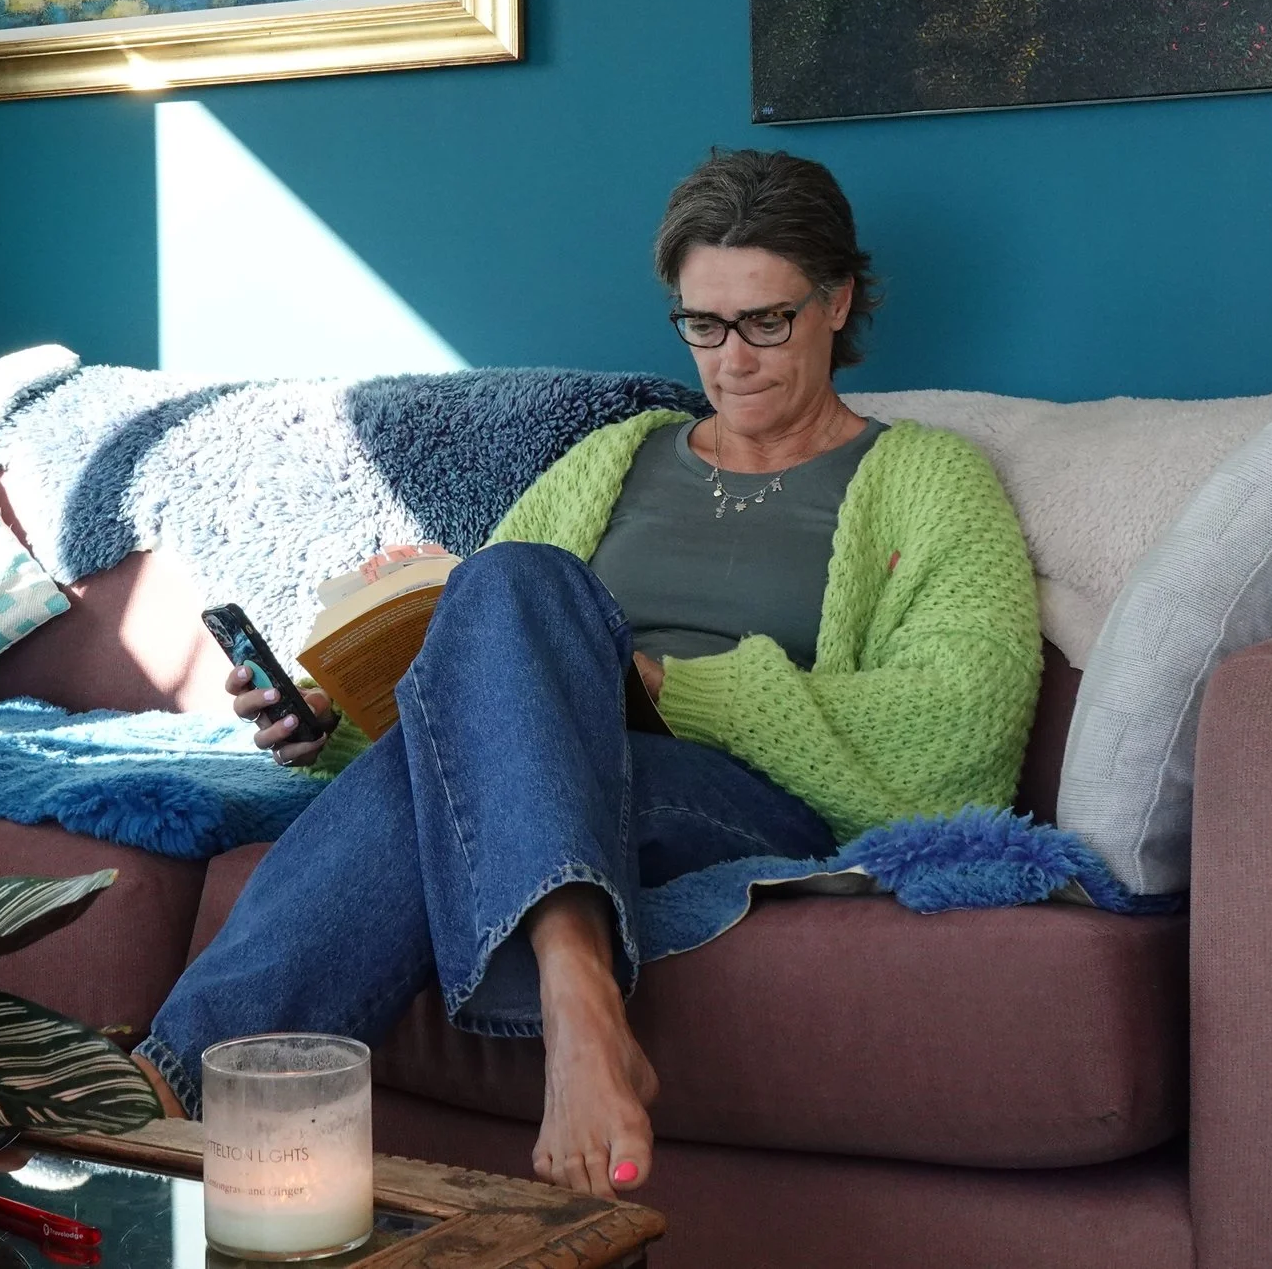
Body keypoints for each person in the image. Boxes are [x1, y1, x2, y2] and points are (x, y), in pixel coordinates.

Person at [135, 149, 1041, 1200]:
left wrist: (668, 689)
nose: (732, 359)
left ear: (837, 301)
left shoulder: (930, 478)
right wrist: (332, 722)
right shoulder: (620, 453)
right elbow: (482, 660)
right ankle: (579, 997)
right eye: (702, 324)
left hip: (737, 794)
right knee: (514, 578)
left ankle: (163, 1084)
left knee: (543, 645)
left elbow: (959, 730)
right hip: (565, 762)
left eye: (766, 320)